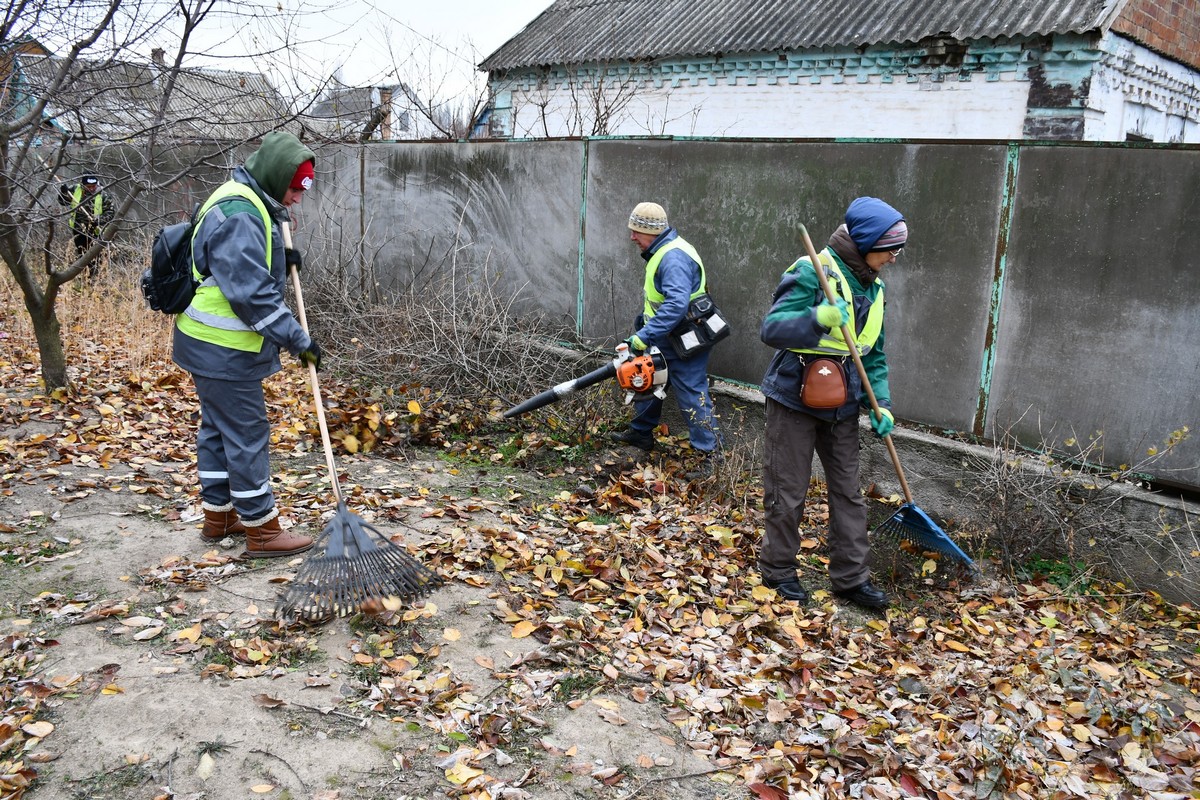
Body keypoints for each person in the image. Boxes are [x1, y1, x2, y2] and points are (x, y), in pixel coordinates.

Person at [173, 130, 321, 558]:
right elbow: (251, 296)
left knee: (218, 430)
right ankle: (262, 530)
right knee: (246, 431)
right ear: (277, 178)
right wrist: (298, 341)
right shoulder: (240, 212)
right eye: (295, 189)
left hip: (206, 342)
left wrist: (279, 257)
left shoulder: (244, 195)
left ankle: (219, 517)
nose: (296, 199)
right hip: (223, 346)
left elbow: (241, 266)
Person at [757, 196, 908, 610]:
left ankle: (851, 578)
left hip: (844, 402)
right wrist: (816, 319)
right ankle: (778, 570)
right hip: (795, 395)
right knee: (788, 490)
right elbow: (771, 328)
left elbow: (872, 352)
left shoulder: (874, 289)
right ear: (865, 243)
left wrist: (883, 404)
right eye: (890, 248)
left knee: (848, 492)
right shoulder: (812, 271)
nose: (894, 258)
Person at [609, 202, 722, 474]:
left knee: (692, 393)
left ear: (652, 231)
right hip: (668, 335)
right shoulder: (665, 250)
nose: (632, 237)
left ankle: (712, 457)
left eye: (637, 231)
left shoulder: (672, 258)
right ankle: (641, 433)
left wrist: (642, 336)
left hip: (685, 339)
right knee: (648, 381)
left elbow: (675, 306)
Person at [58, 174, 112, 277]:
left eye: (93, 186)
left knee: (96, 257)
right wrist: (63, 193)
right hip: (78, 229)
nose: (92, 188)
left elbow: (110, 212)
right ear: (83, 185)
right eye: (89, 186)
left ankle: (95, 278)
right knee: (82, 255)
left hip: (96, 231)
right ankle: (84, 278)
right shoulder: (75, 189)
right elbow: (63, 202)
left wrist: (99, 220)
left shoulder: (103, 194)